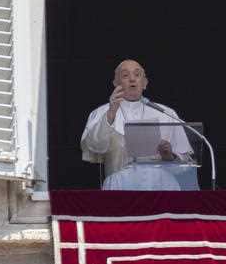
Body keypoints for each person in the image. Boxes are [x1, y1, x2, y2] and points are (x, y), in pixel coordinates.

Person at [81, 59, 195, 190]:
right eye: (125, 75)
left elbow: (187, 164)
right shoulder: (101, 113)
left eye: (137, 74)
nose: (132, 79)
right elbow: (94, 147)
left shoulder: (166, 113)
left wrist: (170, 156)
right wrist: (111, 114)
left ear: (145, 83)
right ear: (116, 83)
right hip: (119, 187)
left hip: (161, 187)